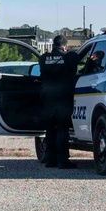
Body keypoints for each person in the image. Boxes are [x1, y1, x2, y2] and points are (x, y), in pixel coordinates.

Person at [38, 34, 81, 169]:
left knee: (50, 129)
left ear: (53, 45)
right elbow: (79, 59)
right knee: (62, 129)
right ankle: (63, 161)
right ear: (66, 46)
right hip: (64, 98)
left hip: (48, 99)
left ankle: (50, 160)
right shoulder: (70, 57)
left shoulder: (43, 58)